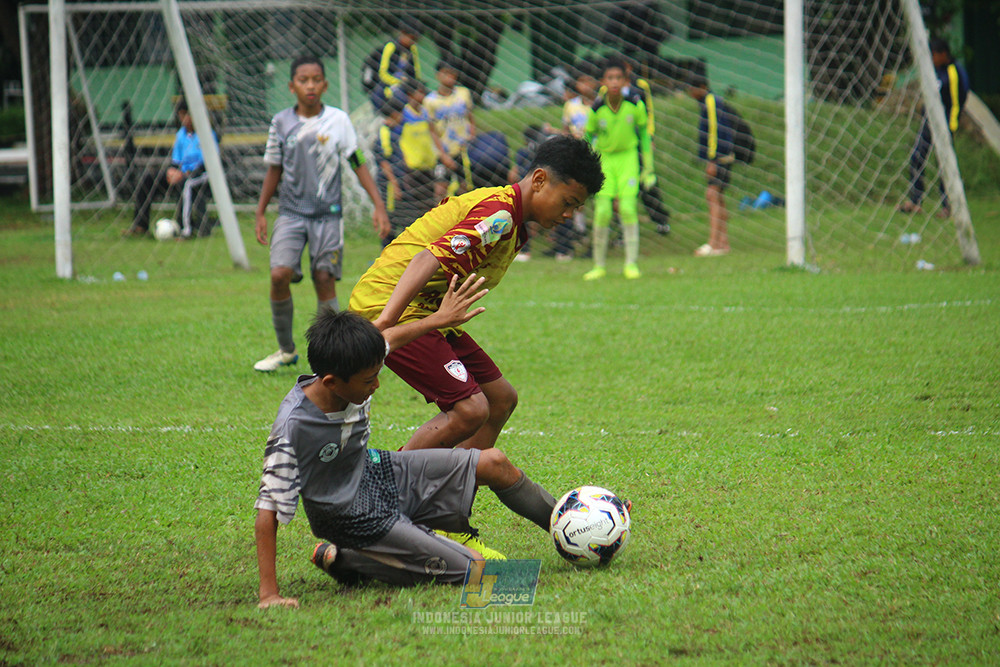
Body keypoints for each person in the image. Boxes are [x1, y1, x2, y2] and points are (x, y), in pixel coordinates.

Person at [255, 279, 562, 605]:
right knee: (480, 569)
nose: (376, 385)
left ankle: (569, 526)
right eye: (369, 380)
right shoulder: (293, 427)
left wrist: (439, 319)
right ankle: (354, 559)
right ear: (330, 382)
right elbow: (267, 511)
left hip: (381, 471)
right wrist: (269, 594)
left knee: (493, 461)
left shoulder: (356, 360)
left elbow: (389, 337)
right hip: (351, 515)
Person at [349, 135, 604, 452]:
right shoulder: (500, 215)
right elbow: (426, 258)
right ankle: (390, 482)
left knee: (500, 400)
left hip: (429, 312)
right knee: (471, 410)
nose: (569, 215)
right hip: (390, 303)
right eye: (567, 203)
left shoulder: (514, 220)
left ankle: (455, 494)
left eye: (576, 208)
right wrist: (385, 322)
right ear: (539, 180)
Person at [253, 55, 390, 373]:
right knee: (278, 275)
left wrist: (378, 205)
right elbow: (274, 169)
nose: (310, 85)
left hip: (328, 216)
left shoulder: (339, 121)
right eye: (303, 80)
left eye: (316, 79)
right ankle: (286, 350)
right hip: (290, 213)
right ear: (291, 86)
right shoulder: (281, 123)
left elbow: (357, 161)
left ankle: (329, 359)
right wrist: (261, 212)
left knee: (324, 279)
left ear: (325, 84)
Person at [583, 57, 652, 281]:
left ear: (625, 81)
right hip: (605, 161)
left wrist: (648, 168)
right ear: (603, 81)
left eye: (618, 78)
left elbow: (644, 136)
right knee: (602, 212)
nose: (614, 82)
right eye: (610, 78)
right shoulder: (597, 107)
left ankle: (631, 264)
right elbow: (588, 136)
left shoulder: (635, 104)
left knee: (628, 209)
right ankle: (598, 265)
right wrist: (587, 165)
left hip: (628, 159)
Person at [124, 100, 215, 239]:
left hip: (201, 175)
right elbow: (175, 161)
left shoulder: (206, 134)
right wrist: (172, 171)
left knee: (187, 184)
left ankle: (186, 231)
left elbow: (208, 163)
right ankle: (140, 225)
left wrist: (185, 174)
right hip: (181, 174)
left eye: (187, 115)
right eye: (181, 115)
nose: (185, 119)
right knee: (148, 179)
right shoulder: (181, 135)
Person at [899, 38, 970, 217]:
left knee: (944, 165)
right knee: (917, 157)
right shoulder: (934, 70)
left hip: (945, 125)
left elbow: (957, 102)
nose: (931, 58)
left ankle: (948, 206)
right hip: (927, 122)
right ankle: (915, 202)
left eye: (934, 54)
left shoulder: (954, 72)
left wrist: (952, 126)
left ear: (943, 54)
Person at [687, 72, 735, 257]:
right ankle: (723, 242)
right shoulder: (709, 101)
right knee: (718, 197)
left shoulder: (711, 101)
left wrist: (712, 160)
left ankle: (713, 243)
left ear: (701, 87)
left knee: (712, 195)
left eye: (691, 89)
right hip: (723, 157)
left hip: (721, 158)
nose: (690, 93)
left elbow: (715, 130)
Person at [425, 57, 473, 201]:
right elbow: (432, 130)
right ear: (438, 75)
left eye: (453, 74)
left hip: (463, 150)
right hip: (444, 151)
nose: (450, 77)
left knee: (465, 188)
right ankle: (439, 220)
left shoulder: (463, 93)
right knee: (440, 190)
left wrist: (472, 135)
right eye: (446, 73)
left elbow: (470, 117)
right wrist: (443, 155)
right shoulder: (430, 101)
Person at [370, 18, 423, 116]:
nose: (413, 42)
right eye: (411, 38)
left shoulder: (412, 49)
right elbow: (383, 73)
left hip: (408, 84)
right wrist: (398, 82)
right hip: (390, 82)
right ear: (403, 33)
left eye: (415, 40)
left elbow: (416, 71)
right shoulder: (391, 46)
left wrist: (415, 84)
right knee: (381, 94)